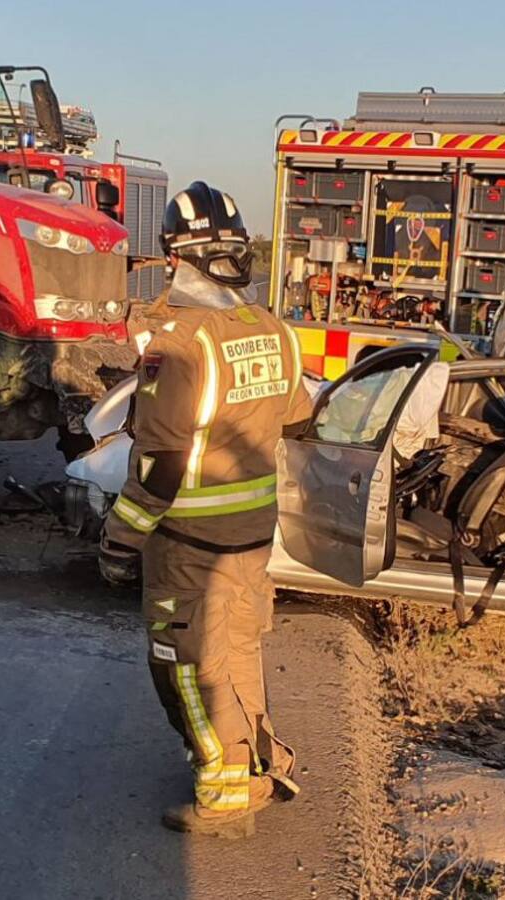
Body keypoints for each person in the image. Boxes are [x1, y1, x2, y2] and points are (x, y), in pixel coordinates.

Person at [99, 181, 313, 839]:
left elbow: (159, 466)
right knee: (240, 652)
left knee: (186, 667)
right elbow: (300, 418)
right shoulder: (272, 330)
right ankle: (256, 761)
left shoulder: (182, 344)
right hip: (252, 540)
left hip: (190, 543)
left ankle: (226, 797)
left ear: (175, 257)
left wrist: (118, 542)